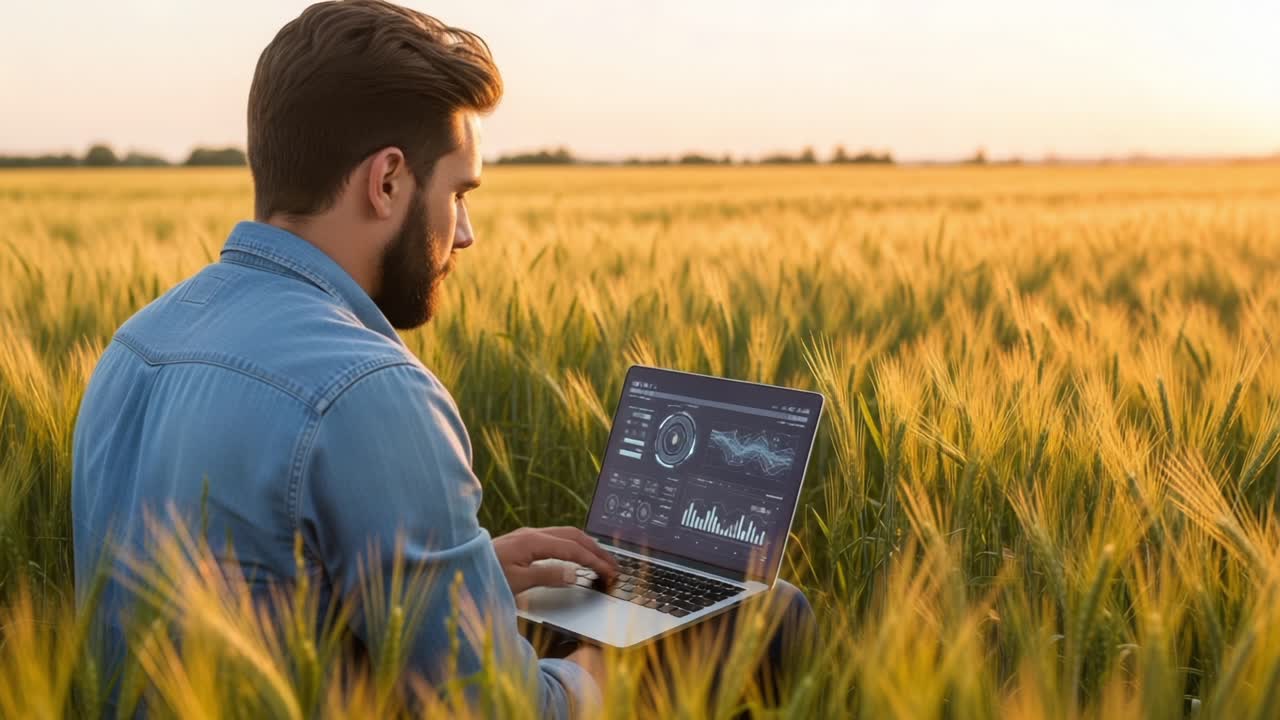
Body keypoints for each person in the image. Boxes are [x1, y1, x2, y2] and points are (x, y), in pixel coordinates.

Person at [71, 1, 812, 716]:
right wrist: (619, 662)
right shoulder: (368, 389)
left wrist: (477, 572)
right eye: (459, 193)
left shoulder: (135, 344)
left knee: (571, 598)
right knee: (762, 612)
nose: (465, 235)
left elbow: (248, 588)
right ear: (387, 181)